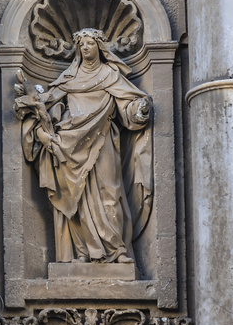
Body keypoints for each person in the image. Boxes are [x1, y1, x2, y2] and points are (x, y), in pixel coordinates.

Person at [14, 28, 152, 265]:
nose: (86, 47)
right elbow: (47, 107)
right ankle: (83, 253)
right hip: (69, 144)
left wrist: (138, 110)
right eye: (82, 45)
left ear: (99, 46)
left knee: (110, 190)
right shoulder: (69, 79)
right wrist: (33, 105)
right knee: (76, 196)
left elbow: (128, 105)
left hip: (102, 140)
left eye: (90, 43)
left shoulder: (110, 75)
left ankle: (117, 250)